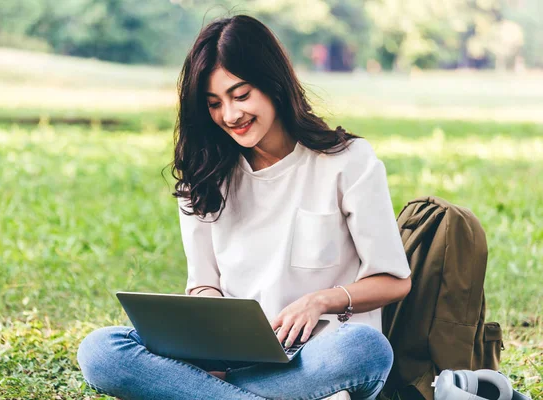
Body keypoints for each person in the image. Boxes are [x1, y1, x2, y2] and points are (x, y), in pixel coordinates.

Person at [76, 14, 412, 400]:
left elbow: (394, 280)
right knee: (101, 351)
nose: (230, 115)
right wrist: (210, 338)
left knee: (365, 350)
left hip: (318, 359)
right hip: (234, 363)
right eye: (214, 103)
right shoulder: (205, 176)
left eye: (241, 94)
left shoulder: (347, 161)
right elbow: (204, 284)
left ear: (273, 85)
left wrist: (319, 301)